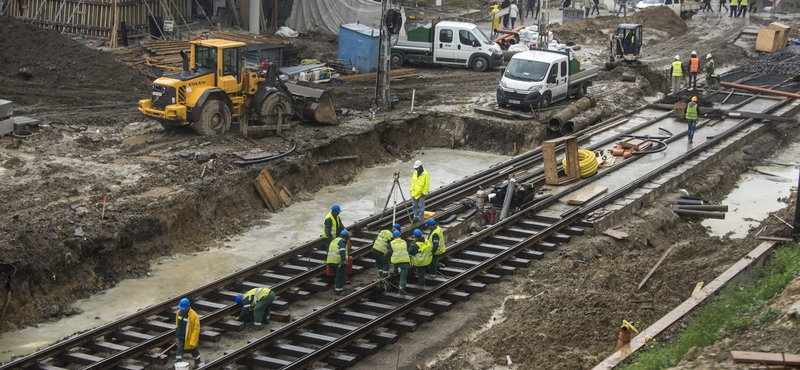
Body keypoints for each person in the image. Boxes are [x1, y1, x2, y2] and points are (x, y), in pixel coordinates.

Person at [174, 298, 201, 367]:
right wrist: (178, 332)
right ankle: (177, 363)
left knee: (194, 350)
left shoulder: (193, 316)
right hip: (181, 336)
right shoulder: (179, 313)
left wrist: (193, 341)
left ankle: (197, 362)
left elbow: (196, 329)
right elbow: (177, 323)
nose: (182, 310)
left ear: (188, 307)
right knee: (179, 349)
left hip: (189, 337)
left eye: (183, 309)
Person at [327, 230, 350, 295]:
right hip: (338, 262)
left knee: (336, 275)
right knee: (340, 276)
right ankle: (338, 291)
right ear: (345, 237)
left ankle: (336, 287)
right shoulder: (342, 241)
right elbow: (342, 251)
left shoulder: (334, 241)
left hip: (331, 261)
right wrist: (343, 260)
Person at [389, 230, 411, 295]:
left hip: (396, 262)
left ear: (393, 237)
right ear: (400, 236)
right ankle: (401, 291)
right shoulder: (404, 242)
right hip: (405, 261)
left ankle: (395, 271)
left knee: (395, 264)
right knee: (403, 279)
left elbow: (390, 252)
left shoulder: (392, 243)